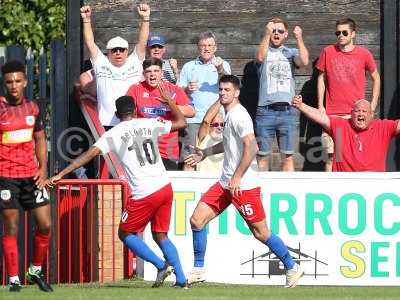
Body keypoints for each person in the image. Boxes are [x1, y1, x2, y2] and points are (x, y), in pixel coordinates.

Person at [47, 92, 189, 288]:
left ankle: (160, 265)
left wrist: (62, 173)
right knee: (160, 234)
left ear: (116, 113)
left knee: (125, 233)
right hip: (165, 186)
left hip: (144, 192)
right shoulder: (149, 123)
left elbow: (89, 154)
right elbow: (182, 122)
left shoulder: (113, 134)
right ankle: (182, 280)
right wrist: (171, 102)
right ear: (136, 109)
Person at [184, 75, 303, 287]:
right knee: (196, 220)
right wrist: (205, 152)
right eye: (220, 89)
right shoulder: (227, 114)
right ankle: (198, 269)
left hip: (243, 186)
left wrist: (238, 176)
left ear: (236, 93)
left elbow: (252, 147)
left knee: (261, 232)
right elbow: (229, 145)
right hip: (225, 183)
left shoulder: (239, 116)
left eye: (227, 90)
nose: (222, 93)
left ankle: (292, 267)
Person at [0, 60, 53, 292]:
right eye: (9, 81)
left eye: (17, 81)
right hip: (6, 176)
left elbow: (40, 139)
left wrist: (43, 169)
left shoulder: (34, 107)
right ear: (4, 83)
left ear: (25, 82)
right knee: (11, 227)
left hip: (32, 176)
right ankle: (13, 279)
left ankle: (35, 270)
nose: (13, 85)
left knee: (45, 225)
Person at [316, 18, 381, 171]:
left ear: (353, 34)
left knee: (354, 158)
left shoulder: (364, 54)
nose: (341, 35)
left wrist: (372, 105)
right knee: (331, 157)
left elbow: (376, 77)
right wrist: (320, 106)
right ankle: (330, 192)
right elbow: (321, 78)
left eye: (345, 32)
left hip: (356, 117)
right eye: (337, 32)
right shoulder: (328, 52)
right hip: (332, 116)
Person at [80, 3, 150, 128]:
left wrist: (145, 19)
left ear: (127, 52)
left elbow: (142, 41)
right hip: (106, 124)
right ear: (108, 52)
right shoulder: (101, 63)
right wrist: (86, 20)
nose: (118, 52)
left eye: (121, 49)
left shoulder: (134, 62)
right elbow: (90, 43)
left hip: (132, 123)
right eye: (114, 50)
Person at [255, 18, 309, 171]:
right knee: (263, 157)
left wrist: (299, 38)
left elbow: (304, 61)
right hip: (265, 111)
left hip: (288, 112)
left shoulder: (290, 53)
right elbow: (259, 57)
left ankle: (288, 191)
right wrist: (266, 33)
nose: (276, 33)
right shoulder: (264, 50)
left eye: (280, 31)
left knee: (288, 157)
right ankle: (261, 193)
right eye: (274, 31)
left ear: (285, 34)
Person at [292, 96, 399, 171]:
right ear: (351, 114)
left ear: (371, 115)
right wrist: (301, 106)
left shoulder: (383, 127)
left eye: (364, 111)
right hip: (344, 183)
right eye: (357, 111)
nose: (360, 114)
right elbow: (320, 117)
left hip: (374, 184)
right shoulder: (341, 125)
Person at [126, 58, 195, 170]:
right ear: (144, 74)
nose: (152, 75)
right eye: (148, 72)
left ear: (162, 73)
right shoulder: (135, 89)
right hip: (143, 148)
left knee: (166, 186)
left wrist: (170, 105)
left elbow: (191, 111)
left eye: (156, 71)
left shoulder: (173, 89)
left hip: (168, 149)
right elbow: (128, 117)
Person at [178, 31, 231, 170]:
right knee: (190, 159)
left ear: (215, 48)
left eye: (209, 45)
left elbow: (229, 86)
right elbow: (177, 94)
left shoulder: (223, 65)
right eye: (203, 45)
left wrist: (220, 69)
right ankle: (188, 191)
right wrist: (187, 89)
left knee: (216, 159)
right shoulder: (188, 66)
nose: (206, 48)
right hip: (194, 120)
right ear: (198, 47)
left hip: (217, 122)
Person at [195, 100, 224, 173]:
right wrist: (222, 99)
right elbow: (206, 121)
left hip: (221, 179)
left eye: (222, 124)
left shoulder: (226, 139)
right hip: (204, 179)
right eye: (216, 124)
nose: (219, 127)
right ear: (209, 126)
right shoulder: (204, 137)